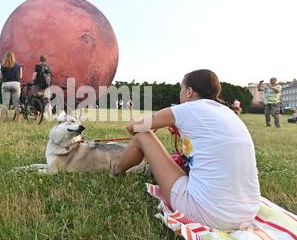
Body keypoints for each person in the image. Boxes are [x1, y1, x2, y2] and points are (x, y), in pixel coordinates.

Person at [112, 69, 261, 230]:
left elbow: (134, 127)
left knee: (142, 135)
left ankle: (116, 171)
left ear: (189, 92)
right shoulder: (228, 112)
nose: (180, 94)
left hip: (211, 215)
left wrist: (168, 120)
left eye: (181, 89)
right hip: (248, 212)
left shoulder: (186, 109)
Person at [0, 51, 23, 121]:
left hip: (5, 84)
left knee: (5, 103)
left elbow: (1, 77)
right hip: (16, 84)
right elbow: (21, 77)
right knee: (16, 103)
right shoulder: (19, 65)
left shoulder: (3, 66)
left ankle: (1, 119)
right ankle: (18, 119)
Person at [32, 54, 52, 120]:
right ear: (45, 60)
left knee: (37, 100)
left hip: (39, 86)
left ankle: (37, 117)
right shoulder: (48, 67)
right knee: (48, 101)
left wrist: (32, 80)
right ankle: (49, 117)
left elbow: (34, 76)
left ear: (40, 59)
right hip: (47, 86)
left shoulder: (37, 66)